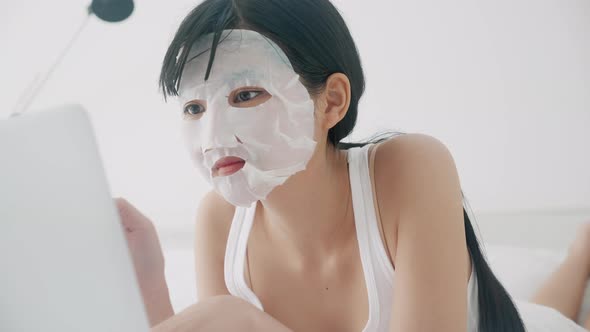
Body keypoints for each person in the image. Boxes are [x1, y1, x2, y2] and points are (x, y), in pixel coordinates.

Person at [115, 0, 588, 331]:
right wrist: (150, 279)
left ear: (332, 102)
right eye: (194, 108)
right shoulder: (218, 220)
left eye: (246, 94)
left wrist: (247, 323)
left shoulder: (411, 168)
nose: (212, 135)